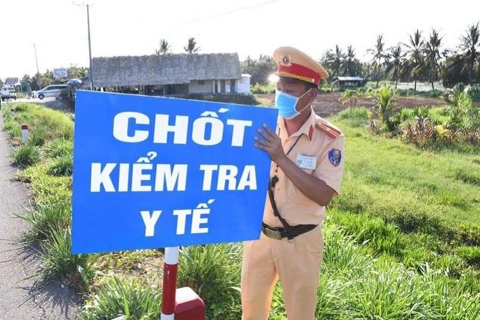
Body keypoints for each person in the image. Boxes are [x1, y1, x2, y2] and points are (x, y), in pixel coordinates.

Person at [241, 46, 345, 320]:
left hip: (300, 241)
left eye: (291, 88)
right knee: (251, 311)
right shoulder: (263, 125)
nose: (282, 94)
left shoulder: (329, 138)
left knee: (300, 315)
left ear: (311, 94)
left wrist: (282, 158)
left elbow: (323, 195)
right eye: (279, 86)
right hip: (259, 236)